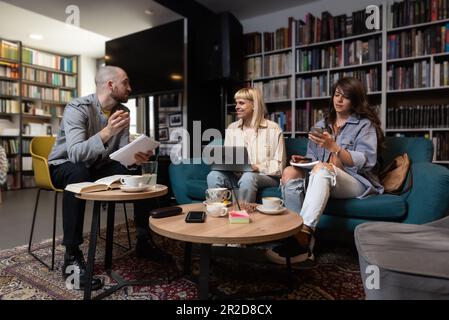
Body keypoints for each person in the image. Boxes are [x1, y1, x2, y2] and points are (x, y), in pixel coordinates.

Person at [48, 66, 169, 290]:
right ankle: (72, 255)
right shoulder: (77, 107)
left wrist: (135, 157)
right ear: (111, 85)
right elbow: (74, 154)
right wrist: (107, 132)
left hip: (98, 166)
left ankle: (144, 239)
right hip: (64, 166)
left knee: (135, 174)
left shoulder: (122, 110)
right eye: (126, 82)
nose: (130, 88)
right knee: (78, 173)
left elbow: (119, 155)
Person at [266, 77, 384, 265]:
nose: (339, 100)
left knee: (322, 170)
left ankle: (303, 232)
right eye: (337, 95)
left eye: (345, 97)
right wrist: (303, 161)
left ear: (354, 100)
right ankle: (298, 241)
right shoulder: (321, 125)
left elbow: (366, 161)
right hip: (322, 176)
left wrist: (334, 147)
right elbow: (313, 159)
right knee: (289, 172)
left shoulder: (364, 125)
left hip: (355, 181)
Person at [207, 87, 286, 204]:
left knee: (248, 176)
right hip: (237, 176)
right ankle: (217, 212)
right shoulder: (232, 128)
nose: (236, 106)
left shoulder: (273, 129)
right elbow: (228, 158)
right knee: (213, 175)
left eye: (241, 103)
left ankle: (242, 216)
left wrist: (256, 167)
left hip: (265, 177)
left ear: (254, 105)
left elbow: (279, 166)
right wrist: (222, 163)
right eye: (236, 103)